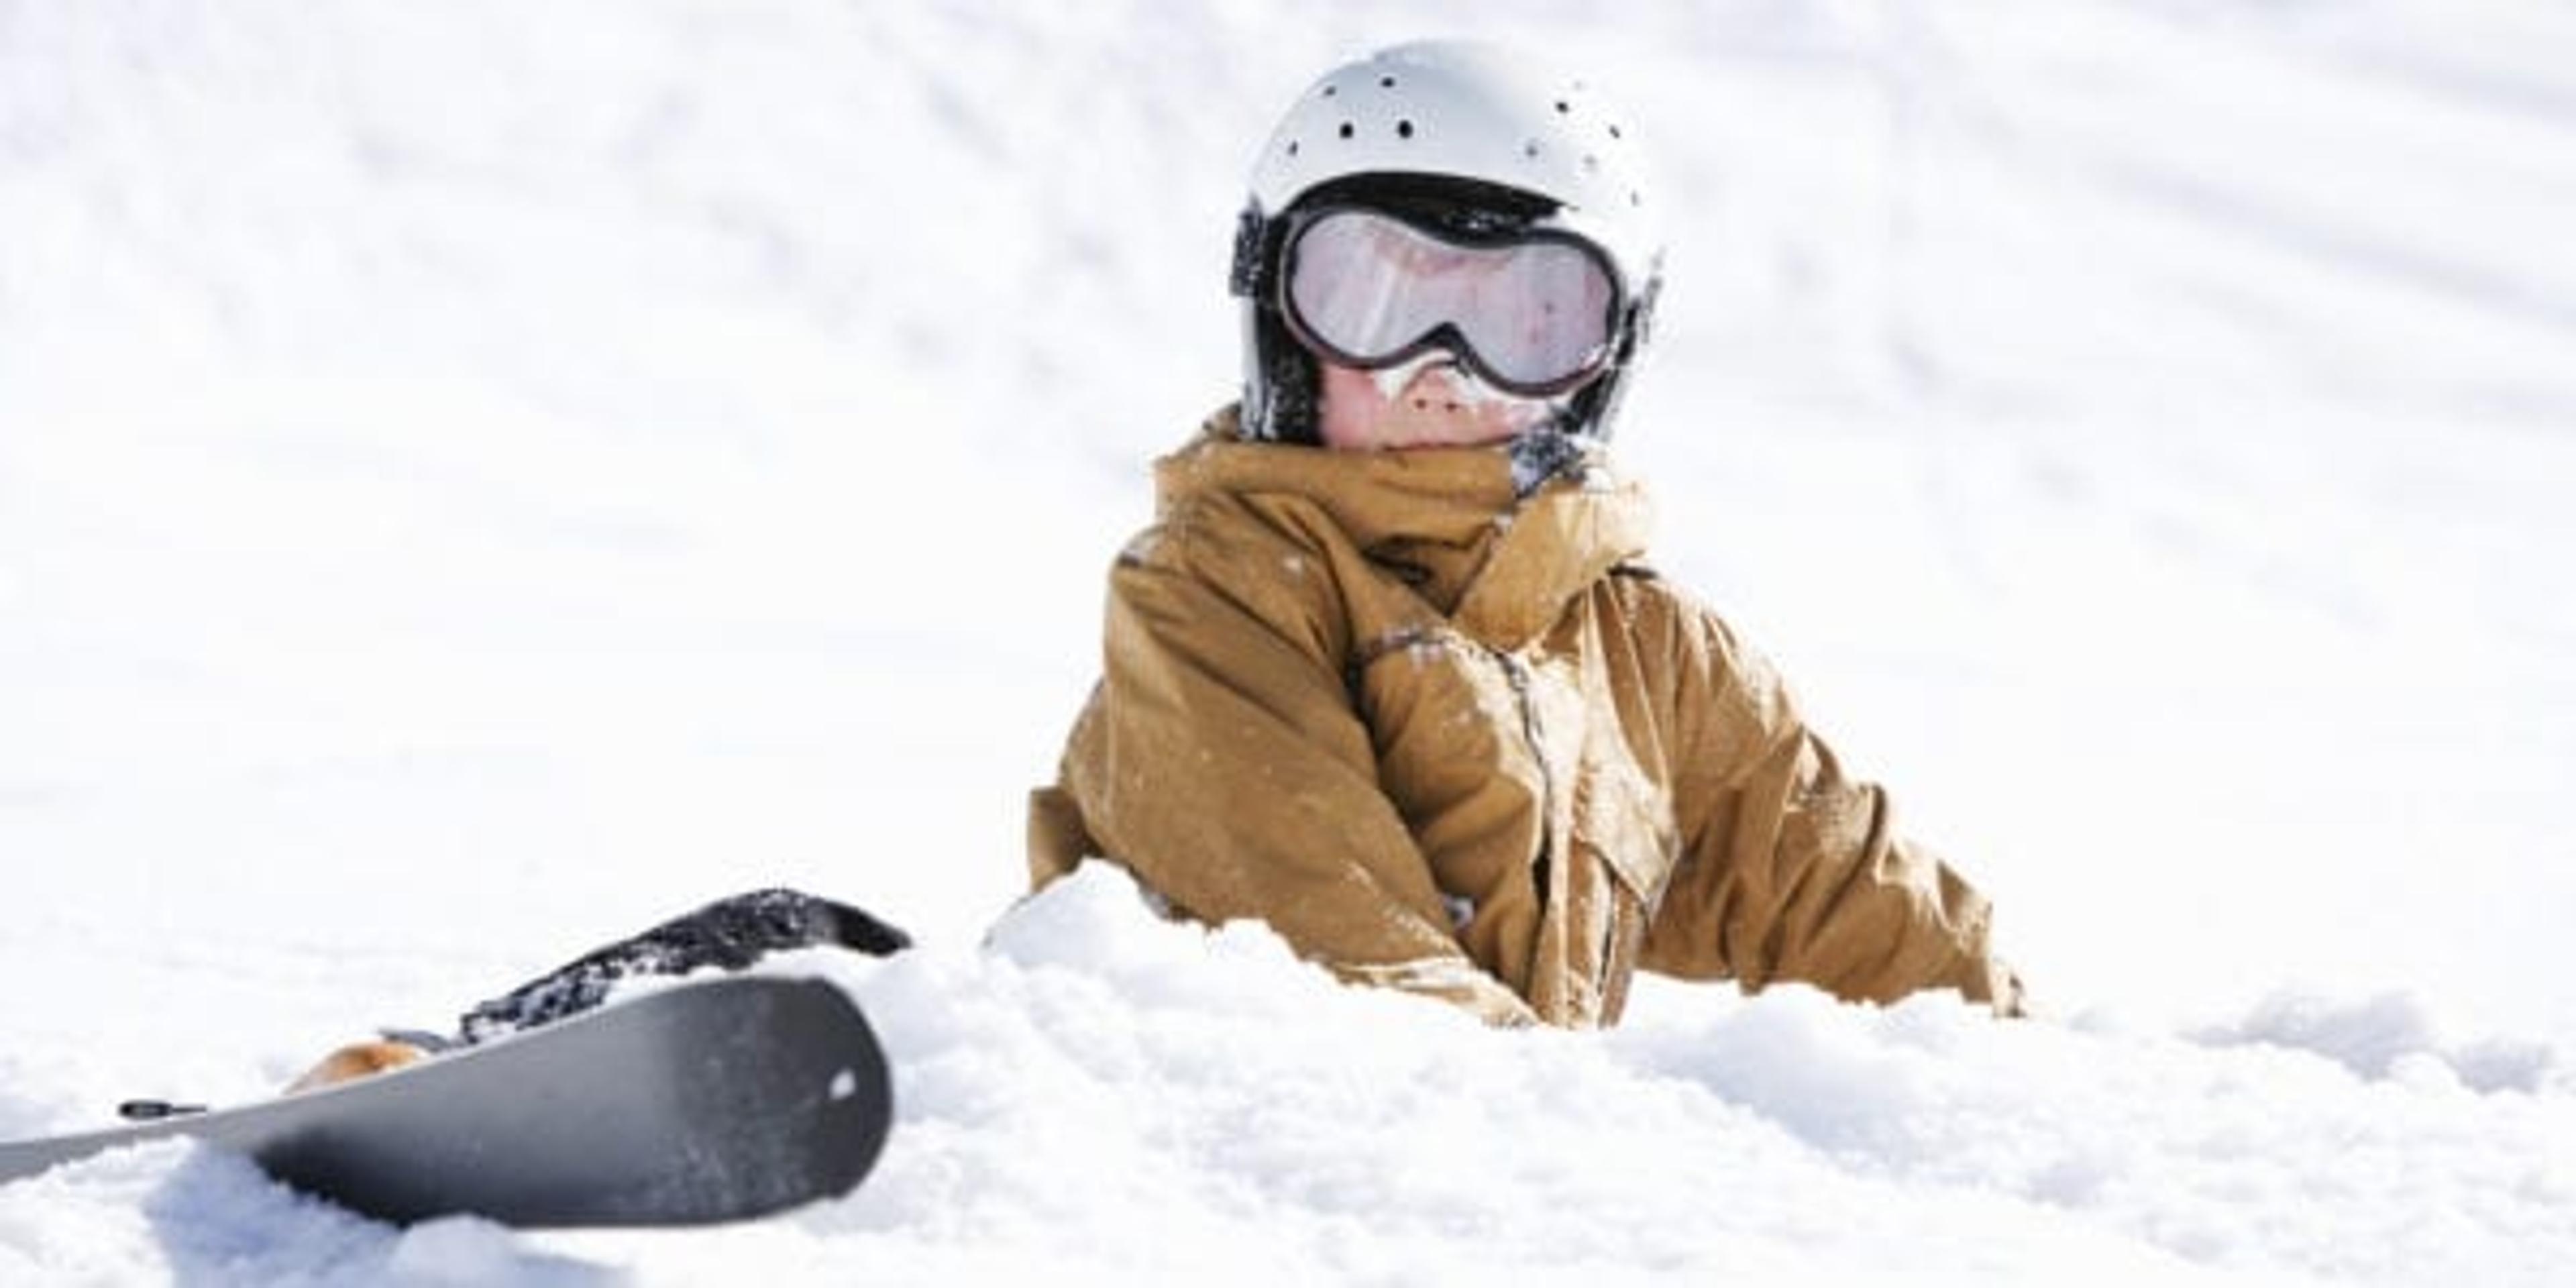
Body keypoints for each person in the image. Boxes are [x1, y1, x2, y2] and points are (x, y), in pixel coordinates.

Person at [1026, 39, 2025, 1028]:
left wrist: (2039, 1105)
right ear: (1284, 327)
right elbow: (1346, 984)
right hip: (1242, 1161)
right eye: (1373, 300)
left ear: (1600, 359)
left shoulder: (1649, 656)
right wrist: (1592, 1143)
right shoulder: (1217, 589)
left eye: (1523, 320)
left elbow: (1872, 920)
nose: (1443, 374)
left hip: (1489, 1167)